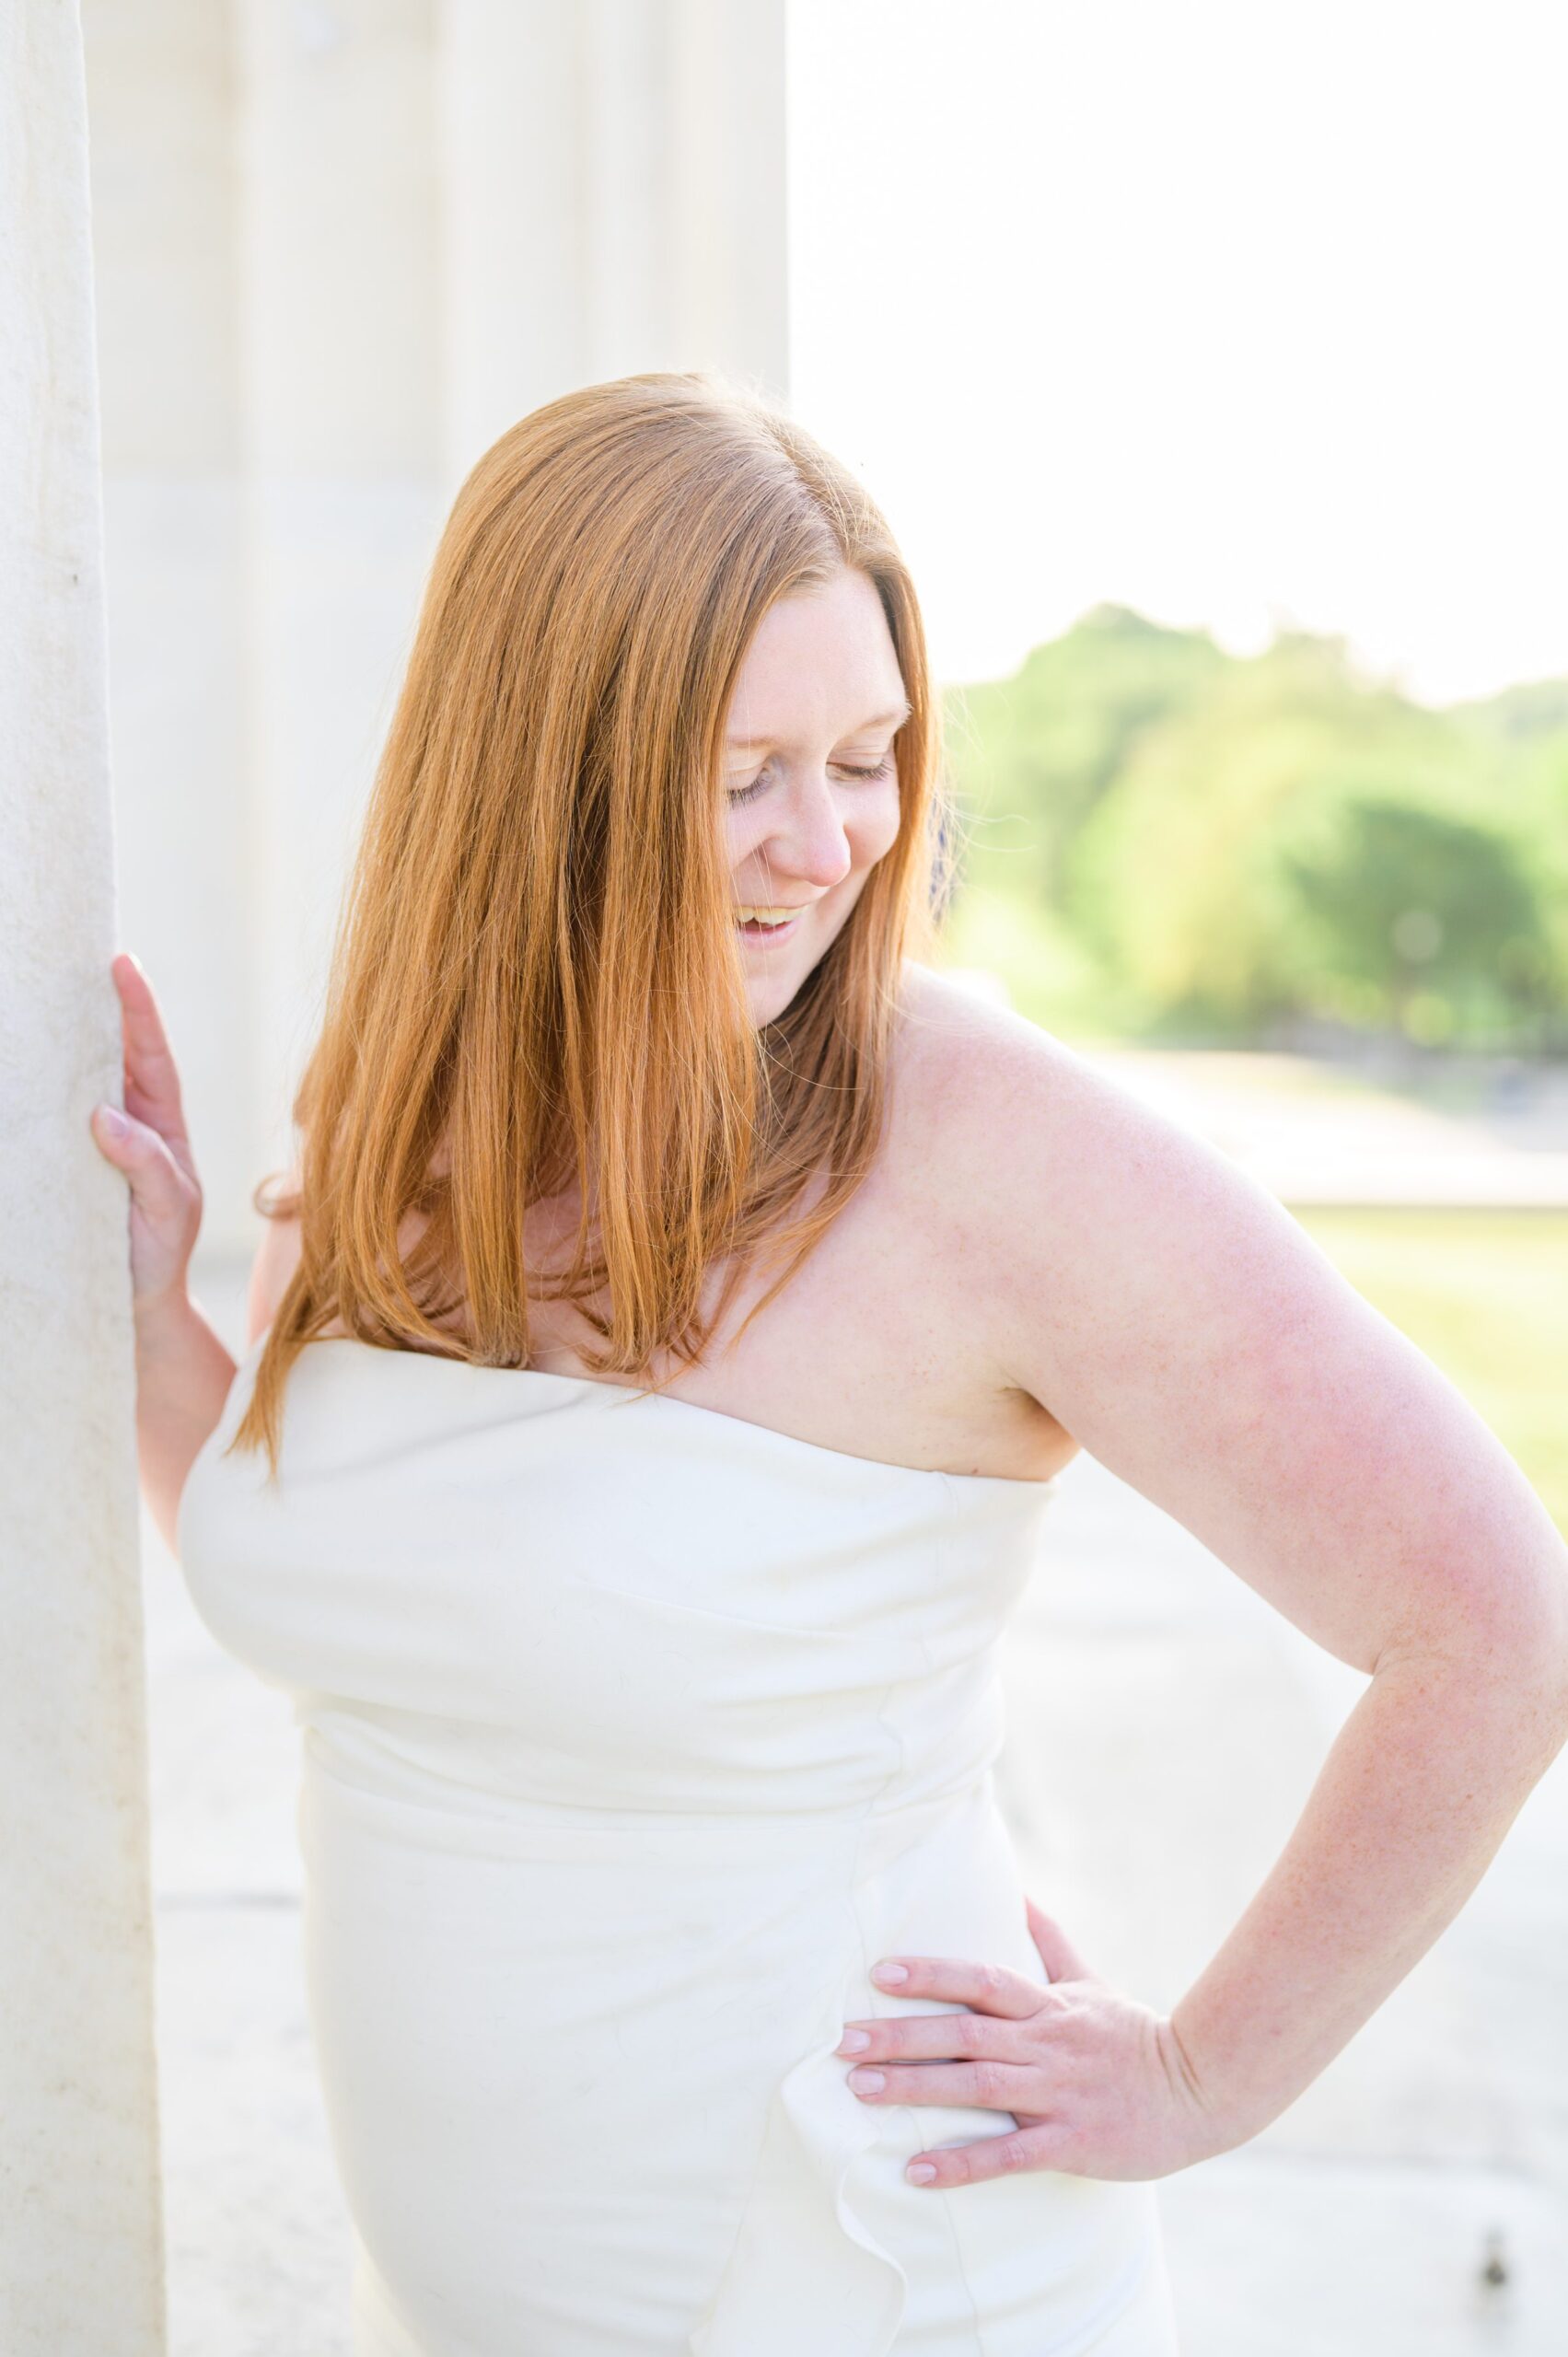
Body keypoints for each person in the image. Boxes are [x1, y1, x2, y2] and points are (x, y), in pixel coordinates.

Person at [94, 371, 1568, 2356]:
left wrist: (1205, 2072)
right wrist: (145, 1326)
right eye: (748, 773)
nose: (833, 844)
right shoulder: (407, 1105)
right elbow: (352, 1572)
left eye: (869, 756)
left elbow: (1493, 1617)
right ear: (546, 768)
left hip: (875, 2291)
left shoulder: (978, 1143)